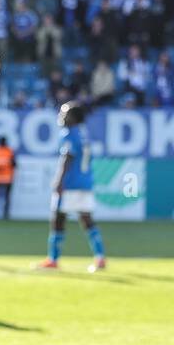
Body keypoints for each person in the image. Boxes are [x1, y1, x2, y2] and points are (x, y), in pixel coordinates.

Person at [37, 101, 106, 272]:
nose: (61, 116)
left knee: (58, 220)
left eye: (64, 113)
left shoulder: (68, 133)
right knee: (87, 220)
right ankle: (100, 257)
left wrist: (59, 181)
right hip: (85, 183)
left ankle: (52, 259)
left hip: (70, 184)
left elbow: (68, 157)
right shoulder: (84, 134)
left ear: (73, 117)